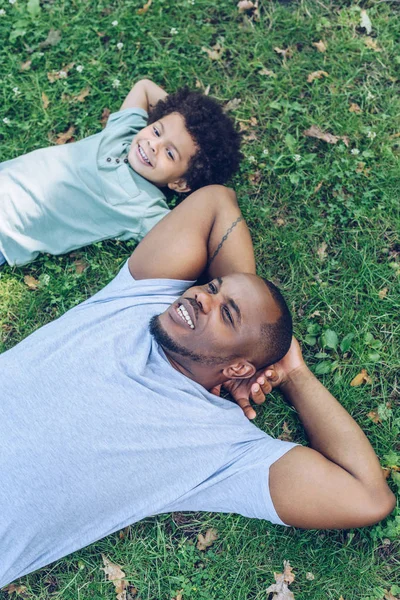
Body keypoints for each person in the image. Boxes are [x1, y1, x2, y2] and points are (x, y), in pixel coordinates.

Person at [0, 186, 395, 587]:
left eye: (227, 313)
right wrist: (249, 316)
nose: (200, 298)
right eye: (212, 287)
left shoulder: (222, 447)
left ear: (240, 366)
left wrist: (292, 374)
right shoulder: (139, 298)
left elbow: (367, 498)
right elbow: (216, 202)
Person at [0, 79, 242, 267]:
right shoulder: (125, 133)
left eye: (170, 153)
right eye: (157, 131)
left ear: (180, 183)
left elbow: (191, 250)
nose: (153, 146)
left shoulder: (144, 208)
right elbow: (144, 87)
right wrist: (188, 116)